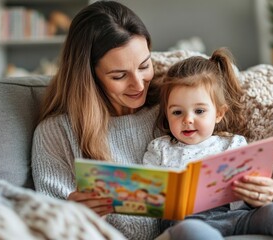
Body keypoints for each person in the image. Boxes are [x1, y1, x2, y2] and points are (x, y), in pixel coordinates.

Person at [31, 1, 224, 239]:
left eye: (144, 65)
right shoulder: (56, 132)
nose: (139, 83)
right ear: (89, 76)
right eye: (119, 75)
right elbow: (45, 222)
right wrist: (72, 214)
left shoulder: (171, 107)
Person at [143, 48, 273, 240]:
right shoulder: (160, 149)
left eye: (199, 111)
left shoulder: (233, 143)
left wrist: (260, 193)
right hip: (188, 221)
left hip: (237, 216)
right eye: (177, 112)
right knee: (192, 231)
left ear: (219, 113)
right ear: (167, 114)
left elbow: (254, 186)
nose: (188, 120)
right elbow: (146, 194)